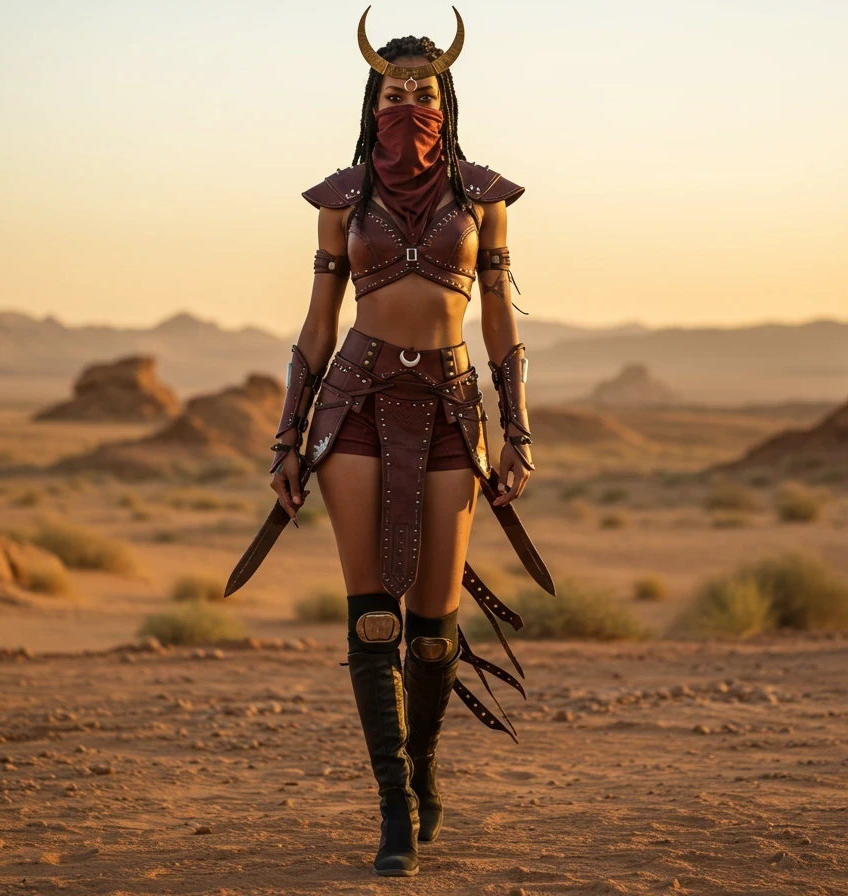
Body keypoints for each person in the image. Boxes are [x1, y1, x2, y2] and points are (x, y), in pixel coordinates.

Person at [259, 8, 550, 878]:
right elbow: (317, 324)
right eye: (393, 89)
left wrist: (519, 429)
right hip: (353, 401)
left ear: (445, 96)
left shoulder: (483, 196)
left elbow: (499, 319)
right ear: (371, 96)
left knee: (431, 631)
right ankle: (391, 803)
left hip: (453, 406)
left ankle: (424, 763)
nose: (407, 100)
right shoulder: (343, 199)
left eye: (422, 89)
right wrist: (285, 437)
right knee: (376, 617)